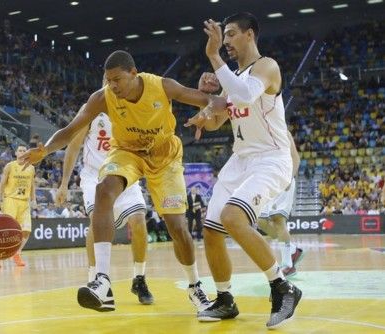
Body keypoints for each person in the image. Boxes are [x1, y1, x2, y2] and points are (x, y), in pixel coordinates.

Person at [19, 49, 226, 313]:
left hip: (165, 156)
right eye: (108, 80)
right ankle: (102, 282)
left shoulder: (162, 86)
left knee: (177, 227)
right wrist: (45, 150)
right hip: (127, 152)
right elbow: (70, 131)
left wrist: (208, 105)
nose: (112, 85)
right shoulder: (102, 98)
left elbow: (217, 103)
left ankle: (195, 286)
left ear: (133, 73)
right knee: (103, 189)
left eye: (117, 79)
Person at [186, 13, 302, 328]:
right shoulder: (232, 79)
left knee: (232, 217)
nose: (225, 43)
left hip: (271, 159)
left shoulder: (267, 67)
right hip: (240, 161)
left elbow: (245, 94)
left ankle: (283, 287)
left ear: (250, 35)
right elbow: (213, 122)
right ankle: (225, 299)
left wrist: (212, 57)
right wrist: (204, 106)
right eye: (223, 38)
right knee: (211, 230)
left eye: (231, 35)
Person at [55, 100, 153, 305]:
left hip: (124, 173)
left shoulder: (133, 111)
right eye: (108, 81)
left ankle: (139, 278)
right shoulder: (90, 110)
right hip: (95, 176)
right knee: (96, 222)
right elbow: (73, 148)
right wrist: (64, 183)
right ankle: (94, 279)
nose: (112, 86)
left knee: (139, 220)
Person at [257, 131, 304, 277]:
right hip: (266, 180)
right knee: (260, 221)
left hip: (283, 178)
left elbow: (295, 157)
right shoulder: (258, 131)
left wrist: (289, 178)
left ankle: (288, 265)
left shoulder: (282, 130)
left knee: (278, 220)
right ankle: (292, 250)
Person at [0, 145, 36, 268]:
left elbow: (32, 185)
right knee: (7, 231)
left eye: (24, 151)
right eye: (20, 150)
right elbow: (1, 185)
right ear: (16, 153)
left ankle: (17, 253)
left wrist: (34, 199)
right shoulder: (10, 166)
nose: (22, 152)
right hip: (11, 200)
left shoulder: (31, 168)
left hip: (24, 202)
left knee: (26, 231)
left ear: (27, 154)